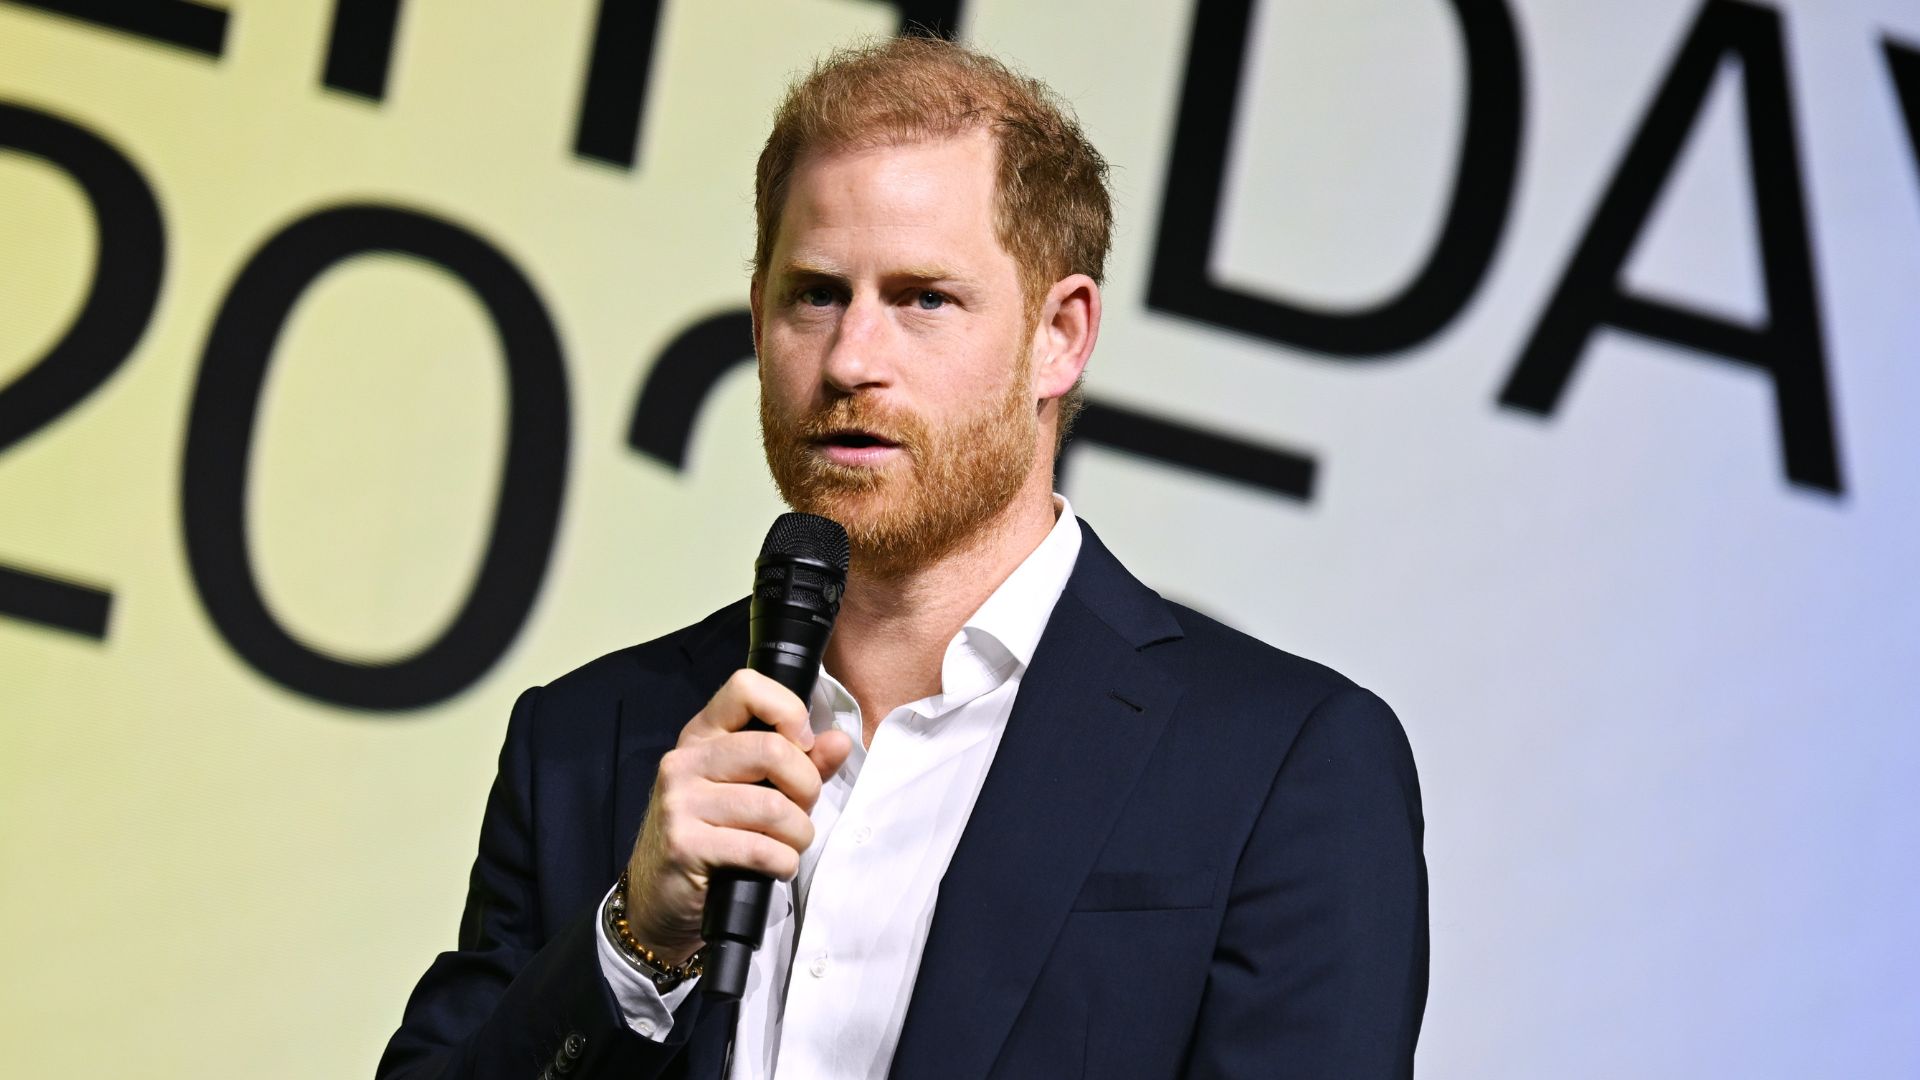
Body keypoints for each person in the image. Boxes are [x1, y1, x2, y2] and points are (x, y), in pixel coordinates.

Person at [379, 35, 1426, 1080]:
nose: (850, 360)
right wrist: (634, 946)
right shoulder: (586, 739)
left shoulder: (1280, 766)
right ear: (757, 319)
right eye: (815, 295)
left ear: (1060, 336)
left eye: (924, 298)